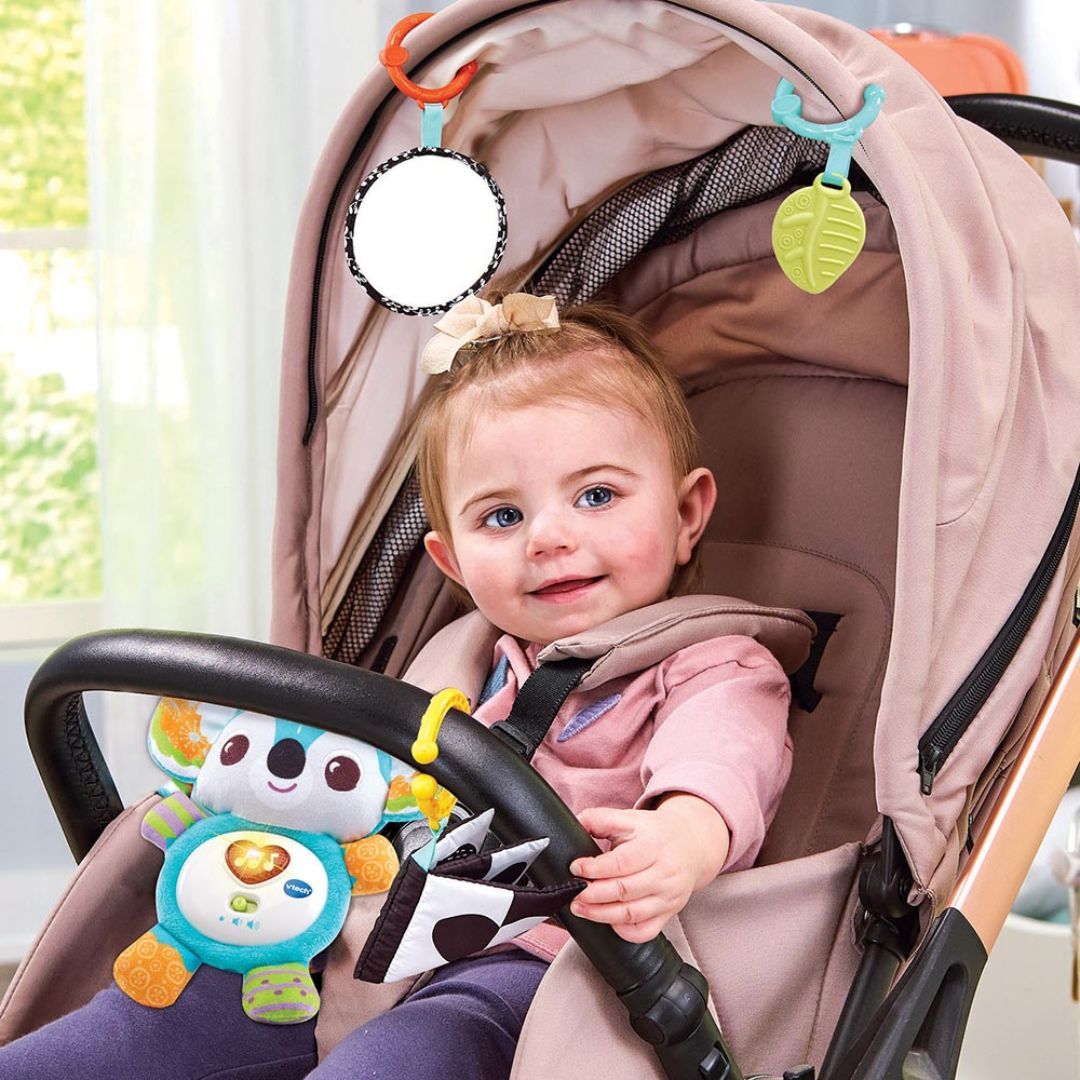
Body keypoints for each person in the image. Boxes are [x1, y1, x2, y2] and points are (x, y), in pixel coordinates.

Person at [0, 292, 792, 1080]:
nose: (550, 537)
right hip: (350, 934)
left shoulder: (715, 668)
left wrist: (680, 843)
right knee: (151, 1017)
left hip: (542, 968)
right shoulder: (462, 658)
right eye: (502, 518)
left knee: (418, 1049)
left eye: (597, 496)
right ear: (450, 562)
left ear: (688, 512)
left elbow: (720, 771)